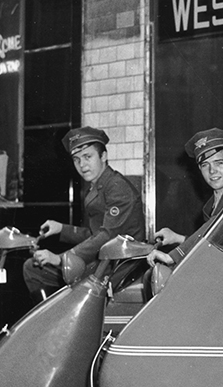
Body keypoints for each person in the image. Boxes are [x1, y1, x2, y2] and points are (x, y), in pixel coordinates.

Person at [23, 127, 144, 300]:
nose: (82, 165)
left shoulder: (117, 188)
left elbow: (107, 235)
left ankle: (54, 323)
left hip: (118, 268)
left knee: (34, 270)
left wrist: (63, 259)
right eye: (77, 159)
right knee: (34, 267)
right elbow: (95, 234)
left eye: (88, 157)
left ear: (103, 156)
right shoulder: (100, 186)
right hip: (104, 262)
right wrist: (61, 229)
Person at [149, 128, 223, 266]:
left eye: (219, 163)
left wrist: (174, 256)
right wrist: (178, 238)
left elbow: (221, 225)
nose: (212, 171)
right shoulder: (215, 200)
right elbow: (214, 240)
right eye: (205, 165)